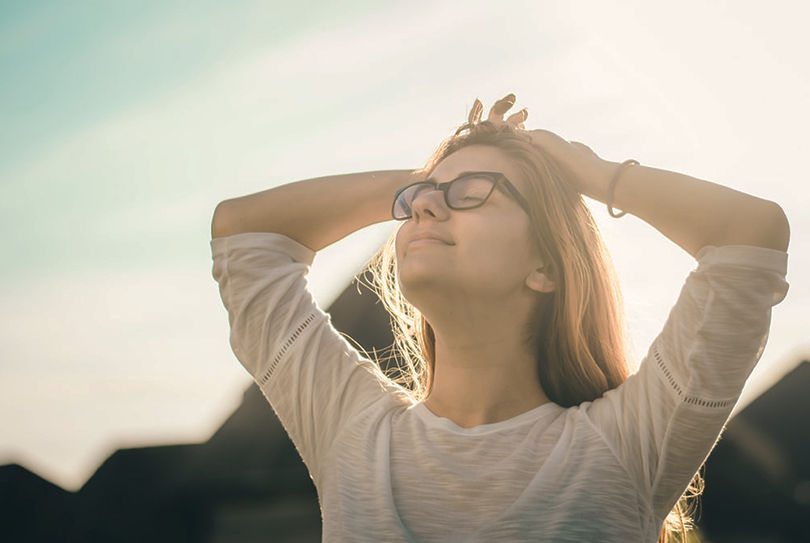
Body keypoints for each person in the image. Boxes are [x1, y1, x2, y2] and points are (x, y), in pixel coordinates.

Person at [210, 93, 790, 542]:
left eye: (473, 192)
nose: (428, 206)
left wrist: (590, 173)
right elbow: (244, 231)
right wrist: (423, 179)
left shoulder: (627, 443)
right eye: (418, 201)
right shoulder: (351, 431)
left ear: (546, 267)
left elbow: (750, 235)